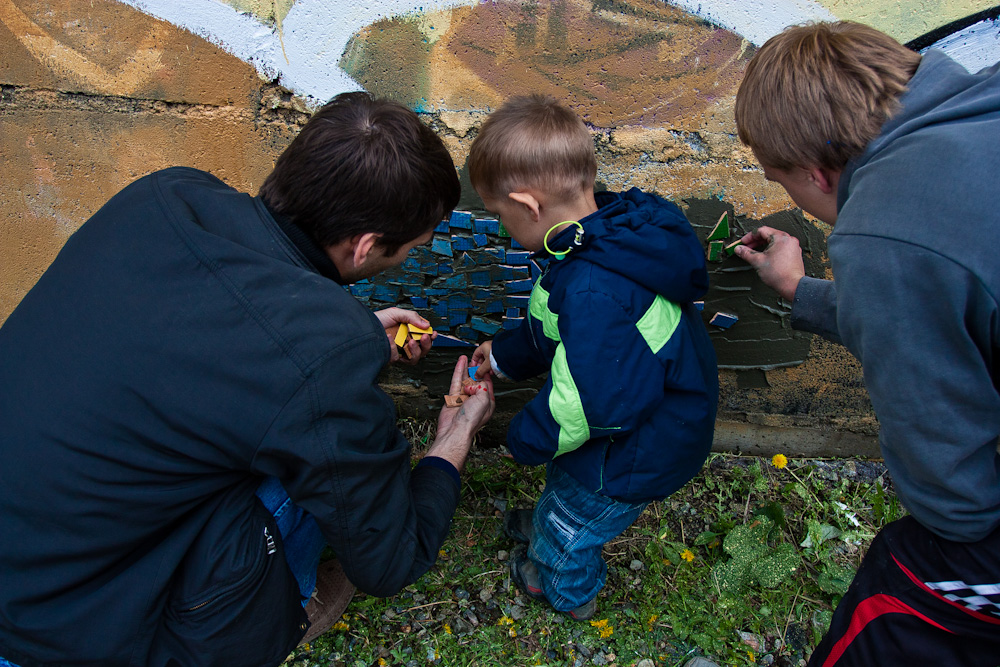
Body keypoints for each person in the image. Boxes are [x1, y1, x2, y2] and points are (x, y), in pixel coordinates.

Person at [0, 92, 494, 667]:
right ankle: (288, 603)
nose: (410, 257)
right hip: (65, 635)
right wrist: (451, 441)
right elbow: (390, 560)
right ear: (364, 248)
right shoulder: (322, 359)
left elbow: (217, 333)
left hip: (29, 539)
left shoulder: (167, 194)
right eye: (411, 249)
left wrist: (341, 336)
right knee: (325, 473)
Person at [733, 21, 1000, 665]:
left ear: (818, 174)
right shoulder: (979, 103)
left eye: (781, 181)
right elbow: (956, 290)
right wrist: (804, 291)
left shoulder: (881, 235)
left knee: (898, 601)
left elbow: (952, 482)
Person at [466, 94, 719, 620]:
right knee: (566, 495)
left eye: (501, 215)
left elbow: (591, 405)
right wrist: (506, 356)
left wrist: (523, 439)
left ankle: (563, 584)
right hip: (647, 409)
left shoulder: (592, 288)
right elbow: (557, 325)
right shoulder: (601, 233)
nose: (505, 230)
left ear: (529, 206)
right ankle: (553, 521)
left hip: (635, 449)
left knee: (572, 523)